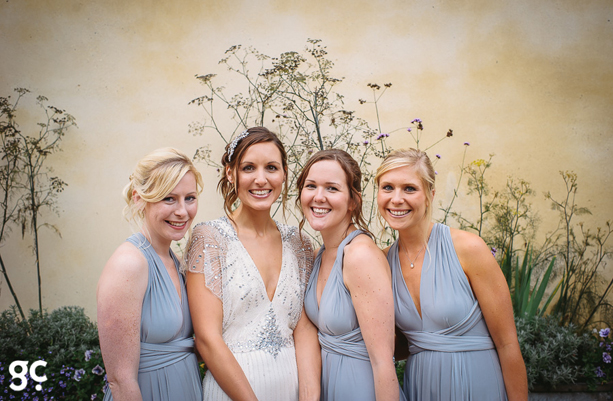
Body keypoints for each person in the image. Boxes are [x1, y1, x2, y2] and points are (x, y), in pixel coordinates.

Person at [375, 148, 528, 401]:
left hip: (476, 385)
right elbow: (395, 346)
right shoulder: (382, 262)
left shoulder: (468, 248)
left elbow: (508, 343)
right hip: (421, 388)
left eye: (410, 188)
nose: (396, 199)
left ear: (430, 195)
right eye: (387, 187)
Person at [184, 127, 320, 401]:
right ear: (231, 174)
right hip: (232, 392)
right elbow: (207, 340)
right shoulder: (209, 238)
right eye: (248, 168)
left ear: (283, 174)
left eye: (271, 167)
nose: (261, 179)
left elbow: (304, 331)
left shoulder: (300, 244)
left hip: (291, 390)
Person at [97, 148, 204, 401]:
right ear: (139, 199)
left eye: (189, 198)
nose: (182, 211)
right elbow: (120, 380)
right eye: (168, 198)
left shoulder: (174, 260)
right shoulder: (129, 263)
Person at [297, 149, 404, 401]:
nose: (318, 197)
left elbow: (383, 362)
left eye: (332, 188)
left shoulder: (359, 256)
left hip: (361, 389)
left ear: (353, 201)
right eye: (311, 186)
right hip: (328, 387)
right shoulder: (317, 255)